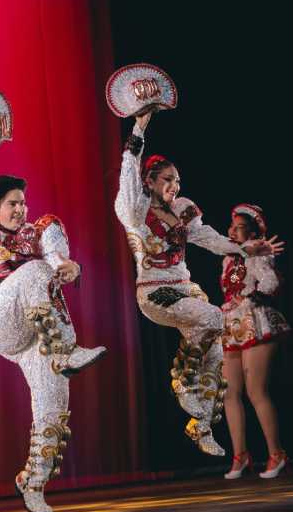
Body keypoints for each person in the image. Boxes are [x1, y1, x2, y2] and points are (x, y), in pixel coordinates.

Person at [0, 115, 106, 512]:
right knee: (32, 272)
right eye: (13, 203)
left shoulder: (37, 230)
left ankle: (34, 482)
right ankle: (67, 350)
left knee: (54, 405)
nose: (21, 209)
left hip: (32, 333)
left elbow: (55, 251)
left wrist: (68, 265)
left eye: (23, 202)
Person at [115, 111, 282, 456]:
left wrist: (245, 248)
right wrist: (140, 127)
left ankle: (201, 424)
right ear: (149, 181)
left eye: (177, 181)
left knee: (217, 355)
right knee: (213, 319)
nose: (174, 187)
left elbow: (209, 239)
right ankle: (182, 381)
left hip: (186, 288)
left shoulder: (184, 209)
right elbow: (128, 171)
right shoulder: (133, 208)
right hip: (154, 292)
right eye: (167, 180)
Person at [219, 204, 291, 479]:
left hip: (255, 320)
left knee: (255, 390)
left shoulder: (257, 251)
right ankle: (241, 456)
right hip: (232, 323)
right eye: (232, 226)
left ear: (252, 231)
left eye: (239, 227)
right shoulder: (230, 258)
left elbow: (271, 281)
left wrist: (250, 298)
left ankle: (277, 454)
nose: (232, 231)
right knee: (229, 392)